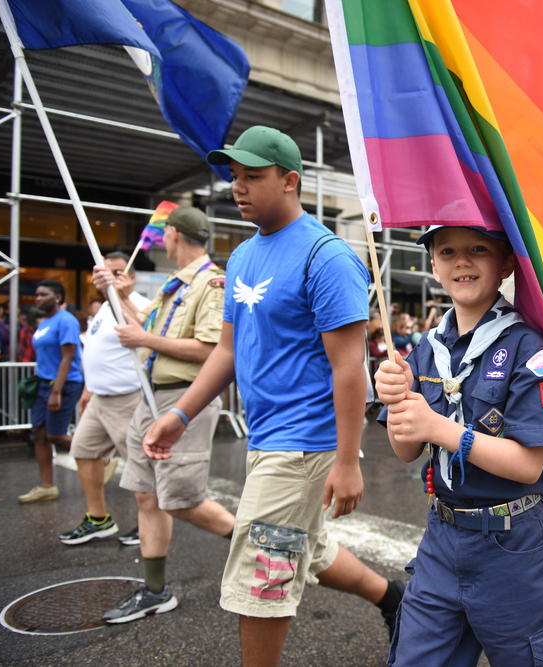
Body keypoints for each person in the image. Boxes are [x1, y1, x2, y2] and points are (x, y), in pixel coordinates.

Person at [140, 126, 404, 665]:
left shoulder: (326, 256)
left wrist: (349, 459)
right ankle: (395, 598)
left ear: (289, 181)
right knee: (308, 551)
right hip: (267, 439)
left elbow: (349, 368)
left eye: (252, 177)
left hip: (304, 445)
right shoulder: (240, 257)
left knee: (261, 575)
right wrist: (181, 414)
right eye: (234, 177)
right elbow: (228, 352)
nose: (238, 187)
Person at [375, 224, 543, 666]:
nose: (462, 261)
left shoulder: (529, 347)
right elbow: (406, 450)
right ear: (433, 265)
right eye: (447, 251)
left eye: (478, 249)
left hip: (515, 547)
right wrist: (397, 402)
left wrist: (440, 428)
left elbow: (530, 466)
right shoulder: (424, 351)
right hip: (443, 538)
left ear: (506, 262)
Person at [92, 206, 235, 623]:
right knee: (145, 494)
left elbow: (212, 350)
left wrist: (144, 337)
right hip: (151, 398)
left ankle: (257, 543)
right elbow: (141, 326)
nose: (161, 241)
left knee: (182, 501)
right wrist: (116, 293)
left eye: (164, 235)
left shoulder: (212, 283)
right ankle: (154, 590)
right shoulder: (174, 285)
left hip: (183, 401)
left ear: (171, 234)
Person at [58, 251, 152, 546]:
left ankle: (148, 523)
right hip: (100, 397)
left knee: (140, 465)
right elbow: (97, 349)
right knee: (83, 450)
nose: (109, 276)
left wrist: (120, 298)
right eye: (105, 271)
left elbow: (149, 335)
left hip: (128, 397)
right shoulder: (101, 308)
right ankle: (99, 519)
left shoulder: (140, 305)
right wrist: (88, 388)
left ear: (132, 277)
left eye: (118, 271)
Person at [20, 280, 84, 503]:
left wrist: (56, 391)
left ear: (57, 296)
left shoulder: (67, 321)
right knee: (38, 433)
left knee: (54, 435)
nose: (37, 299)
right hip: (43, 383)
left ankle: (100, 458)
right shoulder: (45, 321)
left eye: (43, 295)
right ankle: (47, 486)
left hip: (63, 385)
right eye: (36, 295)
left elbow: (68, 357)